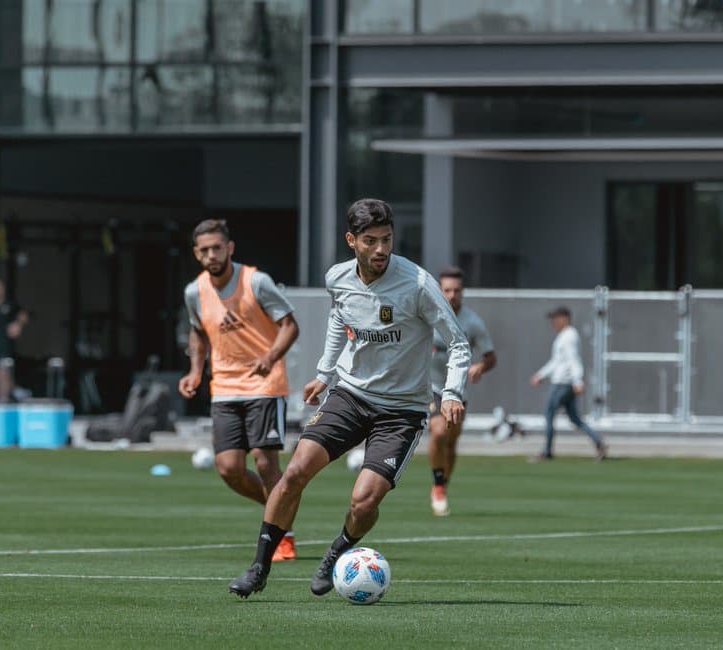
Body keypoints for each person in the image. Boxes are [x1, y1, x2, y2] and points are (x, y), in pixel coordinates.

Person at [228, 198, 470, 599]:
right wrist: (324, 374)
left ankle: (336, 554)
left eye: (387, 240)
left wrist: (451, 393)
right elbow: (340, 317)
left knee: (364, 500)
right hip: (351, 395)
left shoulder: (418, 284)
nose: (381, 250)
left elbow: (459, 344)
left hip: (401, 412)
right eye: (371, 241)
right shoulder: (337, 278)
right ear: (351, 240)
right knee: (294, 473)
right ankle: (258, 568)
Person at [178, 219, 301, 562]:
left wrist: (270, 356)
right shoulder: (194, 292)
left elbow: (290, 326)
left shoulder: (256, 282)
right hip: (225, 389)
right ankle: (278, 503)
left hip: (265, 385)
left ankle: (283, 535)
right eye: (204, 250)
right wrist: (194, 371)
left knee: (264, 460)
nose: (211, 255)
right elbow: (197, 332)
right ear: (196, 254)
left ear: (230, 248)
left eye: (217, 247)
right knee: (229, 469)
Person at [426, 267, 496, 517]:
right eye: (447, 290)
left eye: (456, 290)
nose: (452, 295)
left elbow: (491, 357)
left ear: (462, 292)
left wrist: (480, 366)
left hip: (457, 391)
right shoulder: (428, 315)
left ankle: (443, 484)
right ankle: (437, 486)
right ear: (439, 291)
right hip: (430, 387)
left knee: (451, 441)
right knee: (438, 432)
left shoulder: (473, 322)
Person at [528, 307, 606, 461]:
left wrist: (578, 381)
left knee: (549, 413)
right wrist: (541, 375)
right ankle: (598, 442)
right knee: (574, 418)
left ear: (565, 318)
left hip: (562, 383)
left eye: (555, 318)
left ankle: (547, 451)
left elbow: (573, 360)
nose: (553, 322)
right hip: (565, 383)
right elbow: (556, 361)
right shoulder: (564, 336)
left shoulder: (569, 336)